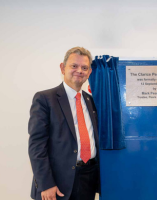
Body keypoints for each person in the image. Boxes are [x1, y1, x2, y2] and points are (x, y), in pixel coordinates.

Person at [28, 47, 99, 200]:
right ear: (62, 67)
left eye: (84, 67)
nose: (79, 70)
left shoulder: (91, 101)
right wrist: (46, 184)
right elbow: (37, 146)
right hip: (57, 182)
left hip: (88, 178)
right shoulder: (45, 99)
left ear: (89, 72)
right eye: (74, 66)